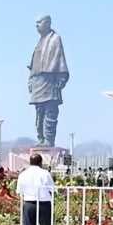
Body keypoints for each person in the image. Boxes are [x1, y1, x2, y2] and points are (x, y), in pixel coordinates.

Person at [27, 15, 69, 147]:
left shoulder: (55, 39)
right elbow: (33, 65)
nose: (36, 25)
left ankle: (49, 140)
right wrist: (30, 80)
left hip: (50, 81)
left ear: (47, 23)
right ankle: (41, 138)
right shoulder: (39, 42)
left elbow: (60, 59)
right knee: (39, 113)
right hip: (37, 81)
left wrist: (61, 78)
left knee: (50, 112)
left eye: (39, 22)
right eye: (36, 23)